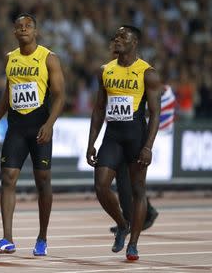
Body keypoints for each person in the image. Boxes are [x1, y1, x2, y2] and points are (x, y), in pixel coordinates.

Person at [0, 14, 65, 256]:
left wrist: (50, 124)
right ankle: (7, 238)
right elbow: (8, 95)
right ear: (14, 32)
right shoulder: (10, 58)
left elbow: (60, 96)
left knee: (43, 182)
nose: (23, 29)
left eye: (28, 26)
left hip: (40, 126)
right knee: (8, 178)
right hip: (16, 127)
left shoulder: (49, 58)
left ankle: (42, 238)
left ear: (36, 31)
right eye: (19, 26)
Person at [86, 25, 161, 261]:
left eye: (123, 37)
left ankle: (134, 244)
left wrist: (148, 146)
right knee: (101, 186)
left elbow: (155, 114)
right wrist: (91, 143)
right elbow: (98, 110)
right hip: (113, 136)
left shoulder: (147, 73)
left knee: (138, 191)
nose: (117, 39)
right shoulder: (105, 71)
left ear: (134, 42)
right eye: (116, 36)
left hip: (136, 137)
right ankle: (121, 223)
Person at [106, 40, 176, 234]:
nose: (114, 53)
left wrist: (146, 140)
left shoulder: (142, 72)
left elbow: (154, 104)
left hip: (139, 133)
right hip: (121, 132)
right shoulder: (112, 70)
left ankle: (134, 219)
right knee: (126, 179)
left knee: (129, 178)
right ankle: (137, 215)